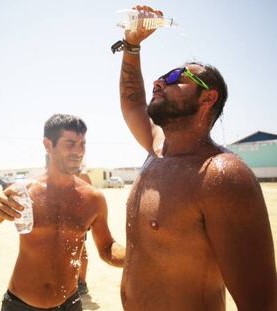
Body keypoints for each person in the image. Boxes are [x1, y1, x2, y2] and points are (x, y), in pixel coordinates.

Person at [116, 5, 277, 310]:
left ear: (208, 97)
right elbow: (133, 101)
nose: (158, 82)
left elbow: (261, 303)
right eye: (161, 77)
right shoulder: (158, 148)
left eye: (176, 76)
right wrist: (132, 45)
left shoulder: (221, 176)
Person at [0, 114, 125, 311]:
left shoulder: (93, 199)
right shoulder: (24, 192)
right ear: (48, 145)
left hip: (70, 304)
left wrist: (138, 255)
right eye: (70, 143)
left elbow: (107, 249)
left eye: (82, 144)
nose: (78, 151)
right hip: (20, 305)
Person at [76, 170, 91, 296]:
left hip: (78, 218)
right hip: (60, 218)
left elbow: (91, 196)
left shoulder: (82, 175)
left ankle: (82, 282)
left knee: (81, 251)